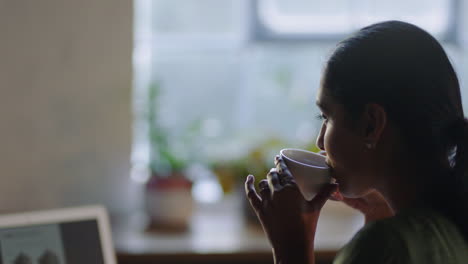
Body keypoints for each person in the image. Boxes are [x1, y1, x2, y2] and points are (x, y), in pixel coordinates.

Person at [245, 20, 468, 264]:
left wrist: (290, 245)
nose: (320, 141)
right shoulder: (449, 227)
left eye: (327, 117)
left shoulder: (384, 244)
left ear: (372, 125)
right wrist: (378, 213)